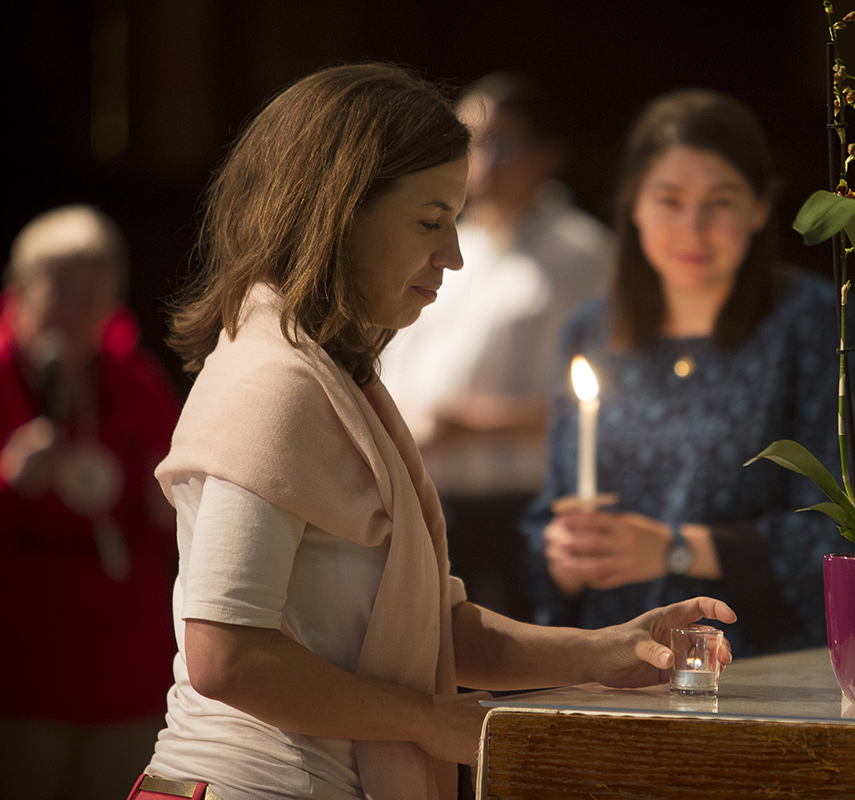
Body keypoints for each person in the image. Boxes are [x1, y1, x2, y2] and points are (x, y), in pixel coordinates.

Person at [134, 63, 735, 800]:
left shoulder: (330, 375)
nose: (452, 255)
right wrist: (428, 721)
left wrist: (602, 652)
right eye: (430, 221)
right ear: (341, 211)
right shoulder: (272, 383)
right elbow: (227, 656)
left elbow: (433, 632)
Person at [520, 89, 855, 657]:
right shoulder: (592, 330)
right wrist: (562, 557)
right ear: (634, 204)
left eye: (721, 202)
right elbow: (550, 513)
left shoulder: (810, 322)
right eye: (669, 200)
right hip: (616, 657)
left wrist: (675, 549)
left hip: (758, 661)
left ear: (761, 207)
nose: (693, 227)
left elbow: (845, 535)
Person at [378, 72, 612, 621]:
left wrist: (472, 425)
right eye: (470, 144)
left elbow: (602, 398)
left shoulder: (581, 254)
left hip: (519, 506)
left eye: (502, 145)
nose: (484, 163)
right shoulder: (450, 239)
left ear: (547, 154)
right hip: (428, 495)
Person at [0, 204, 181, 800]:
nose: (76, 309)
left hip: (123, 676)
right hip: (20, 678)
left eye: (94, 293)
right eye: (61, 288)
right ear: (18, 288)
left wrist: (174, 508)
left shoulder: (138, 382)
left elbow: (171, 502)